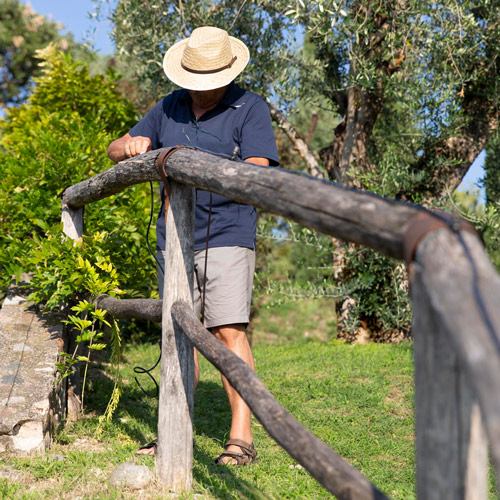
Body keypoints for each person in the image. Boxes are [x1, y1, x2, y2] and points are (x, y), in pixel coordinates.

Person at [107, 26, 279, 465]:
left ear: (227, 73)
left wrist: (204, 166)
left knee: (227, 330)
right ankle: (173, 428)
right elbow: (114, 148)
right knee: (176, 329)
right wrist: (131, 145)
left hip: (228, 232)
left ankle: (241, 438)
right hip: (174, 236)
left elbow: (259, 168)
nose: (200, 90)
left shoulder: (250, 107)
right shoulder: (169, 106)